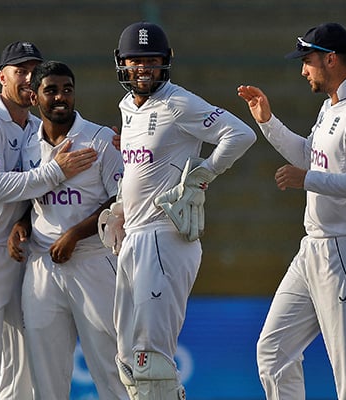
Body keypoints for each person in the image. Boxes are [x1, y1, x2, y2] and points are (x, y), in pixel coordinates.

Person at [237, 22, 346, 400]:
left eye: (308, 60)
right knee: (273, 354)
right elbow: (311, 158)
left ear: (331, 59)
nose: (304, 69)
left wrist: (309, 180)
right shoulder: (330, 108)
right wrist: (267, 123)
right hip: (314, 248)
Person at [110, 22, 256, 399]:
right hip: (134, 239)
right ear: (121, 63)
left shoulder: (178, 102)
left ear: (165, 63)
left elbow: (240, 133)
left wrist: (203, 175)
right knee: (128, 360)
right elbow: (140, 169)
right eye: (134, 61)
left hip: (165, 239)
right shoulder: (127, 107)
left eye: (151, 61)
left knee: (151, 359)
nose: (142, 69)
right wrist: (123, 208)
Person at [0, 42, 98, 399]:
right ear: (2, 77)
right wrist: (53, 172)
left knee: (23, 369)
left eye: (35, 70)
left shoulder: (36, 126)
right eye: (21, 71)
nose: (30, 78)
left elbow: (42, 190)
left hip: (21, 254)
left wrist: (115, 140)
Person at [6, 60, 128, 400]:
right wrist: (21, 225)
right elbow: (32, 198)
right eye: (52, 91)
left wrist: (75, 234)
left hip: (93, 263)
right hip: (42, 266)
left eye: (68, 90)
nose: (61, 97)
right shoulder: (28, 145)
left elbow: (121, 201)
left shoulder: (100, 139)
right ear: (35, 97)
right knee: (46, 376)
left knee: (111, 368)